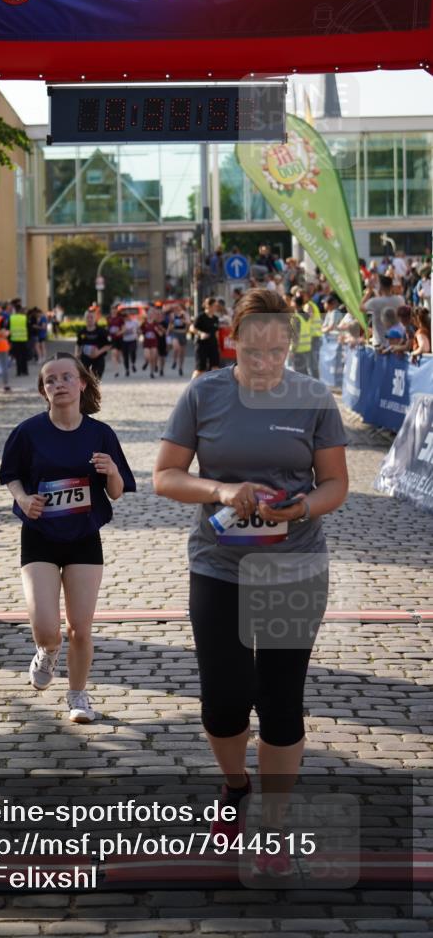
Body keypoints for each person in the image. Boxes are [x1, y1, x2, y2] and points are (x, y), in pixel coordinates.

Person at [153, 288, 348, 875]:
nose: (265, 361)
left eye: (277, 349)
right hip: (220, 565)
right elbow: (164, 475)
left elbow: (335, 483)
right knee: (225, 698)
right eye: (253, 348)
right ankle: (236, 786)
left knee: (283, 700)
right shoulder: (203, 393)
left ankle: (274, 825)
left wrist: (302, 508)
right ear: (231, 340)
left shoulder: (314, 398)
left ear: (290, 343)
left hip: (296, 565)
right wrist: (220, 491)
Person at [0, 353, 136, 723]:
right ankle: (46, 652)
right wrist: (24, 499)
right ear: (44, 391)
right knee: (48, 628)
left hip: (84, 536)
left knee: (80, 627)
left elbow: (118, 491)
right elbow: (10, 475)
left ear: (82, 384)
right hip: (40, 533)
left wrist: (111, 472)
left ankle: (78, 696)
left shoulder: (100, 433)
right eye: (50, 381)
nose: (58, 385)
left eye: (65, 378)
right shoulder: (28, 432)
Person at [360, 274, 401, 347]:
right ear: (391, 286)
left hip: (379, 342)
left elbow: (361, 307)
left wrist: (369, 291)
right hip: (396, 343)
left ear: (381, 287)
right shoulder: (399, 300)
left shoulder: (375, 302)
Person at [75, 309, 110, 379]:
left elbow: (109, 345)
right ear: (84, 318)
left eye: (91, 317)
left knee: (95, 382)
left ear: (95, 318)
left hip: (98, 360)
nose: (89, 319)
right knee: (85, 381)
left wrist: (98, 352)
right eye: (87, 317)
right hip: (84, 360)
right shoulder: (81, 332)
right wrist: (76, 354)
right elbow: (78, 344)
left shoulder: (102, 331)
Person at [190, 297, 220, 379]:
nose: (216, 308)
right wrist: (200, 333)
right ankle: (191, 387)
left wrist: (218, 345)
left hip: (213, 345)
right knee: (200, 369)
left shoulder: (215, 319)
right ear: (208, 306)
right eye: (215, 306)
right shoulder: (201, 317)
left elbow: (216, 333)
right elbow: (192, 328)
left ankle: (213, 388)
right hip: (201, 345)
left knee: (215, 368)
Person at [168, 304, 190, 377]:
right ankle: (174, 361)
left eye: (178, 307)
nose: (177, 309)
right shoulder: (172, 315)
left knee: (182, 353)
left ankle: (180, 368)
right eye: (175, 308)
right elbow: (170, 324)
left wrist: (184, 320)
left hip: (183, 334)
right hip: (175, 333)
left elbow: (189, 323)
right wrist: (168, 331)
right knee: (176, 348)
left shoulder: (185, 314)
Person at [139, 307, 161, 379]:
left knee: (153, 358)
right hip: (146, 343)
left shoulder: (155, 323)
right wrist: (140, 333)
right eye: (149, 314)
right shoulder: (144, 323)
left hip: (154, 342)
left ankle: (151, 372)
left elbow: (161, 334)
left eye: (152, 314)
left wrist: (157, 330)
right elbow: (139, 331)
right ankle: (146, 362)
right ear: (147, 315)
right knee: (147, 356)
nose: (150, 315)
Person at [106, 303, 125, 378]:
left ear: (117, 310)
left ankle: (119, 361)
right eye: (112, 309)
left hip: (119, 338)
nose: (113, 311)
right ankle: (116, 371)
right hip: (112, 339)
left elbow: (124, 329)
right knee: (114, 353)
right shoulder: (108, 318)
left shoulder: (120, 318)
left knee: (118, 355)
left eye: (115, 309)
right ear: (110, 310)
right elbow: (108, 327)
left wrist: (119, 332)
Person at [121, 311, 139, 376]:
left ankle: (133, 364)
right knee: (125, 356)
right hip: (124, 341)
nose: (127, 317)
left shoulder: (135, 322)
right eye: (125, 316)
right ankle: (127, 370)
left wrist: (138, 335)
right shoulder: (122, 323)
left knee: (132, 352)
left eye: (127, 316)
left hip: (133, 340)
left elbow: (138, 329)